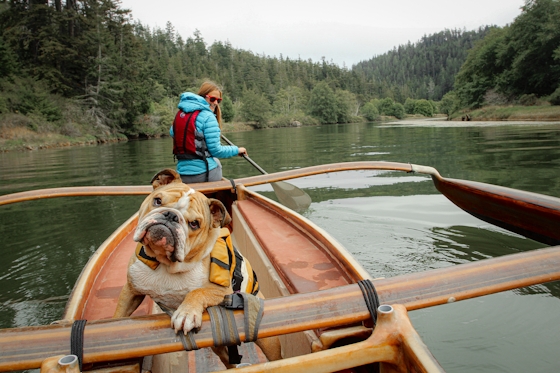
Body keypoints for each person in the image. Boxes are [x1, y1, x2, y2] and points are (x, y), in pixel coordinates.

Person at [170, 81, 247, 183]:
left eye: (218, 100)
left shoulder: (180, 114)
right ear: (202, 96)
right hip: (202, 175)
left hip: (181, 175)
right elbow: (217, 151)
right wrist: (237, 150)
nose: (215, 103)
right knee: (217, 163)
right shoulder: (208, 116)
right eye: (212, 99)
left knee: (213, 161)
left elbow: (172, 133)